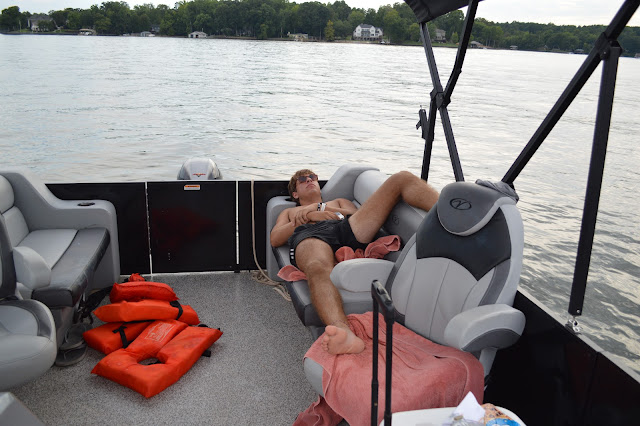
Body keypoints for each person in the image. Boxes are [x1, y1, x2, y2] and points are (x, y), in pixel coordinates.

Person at [270, 169, 439, 355]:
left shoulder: (338, 202)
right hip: (309, 235)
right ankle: (343, 333)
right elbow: (276, 238)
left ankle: (450, 212)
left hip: (347, 226)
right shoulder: (289, 212)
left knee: (402, 178)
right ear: (295, 193)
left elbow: (352, 213)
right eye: (302, 180)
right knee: (317, 267)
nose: (309, 180)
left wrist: (321, 209)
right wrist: (306, 218)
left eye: (313, 177)